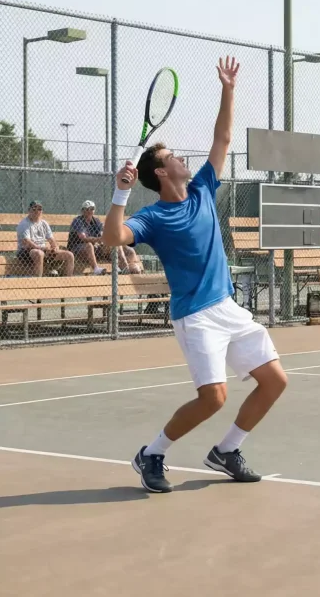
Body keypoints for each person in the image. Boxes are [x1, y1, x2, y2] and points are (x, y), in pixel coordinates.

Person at [102, 56, 288, 494]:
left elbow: (222, 137)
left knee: (275, 380)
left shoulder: (204, 187)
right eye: (173, 157)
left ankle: (227, 450)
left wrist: (229, 88)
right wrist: (119, 192)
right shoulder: (153, 218)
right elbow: (113, 238)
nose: (183, 158)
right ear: (162, 173)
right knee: (214, 398)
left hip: (227, 306)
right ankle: (152, 454)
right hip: (196, 316)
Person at [69, 200, 143, 275]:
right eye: (86, 209)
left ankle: (126, 268)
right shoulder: (77, 221)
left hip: (96, 248)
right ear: (82, 211)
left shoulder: (96, 221)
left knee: (120, 245)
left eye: (92, 208)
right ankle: (96, 269)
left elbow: (103, 233)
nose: (89, 211)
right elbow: (83, 238)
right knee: (89, 245)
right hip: (77, 248)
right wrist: (99, 239)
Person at [16, 201, 75, 277]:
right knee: (39, 254)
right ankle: (38, 282)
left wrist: (55, 247)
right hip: (26, 251)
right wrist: (42, 248)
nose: (37, 211)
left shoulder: (44, 223)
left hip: (43, 250)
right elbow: (27, 242)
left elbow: (51, 239)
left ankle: (68, 281)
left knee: (69, 255)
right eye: (34, 209)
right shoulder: (24, 223)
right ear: (29, 210)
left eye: (39, 209)